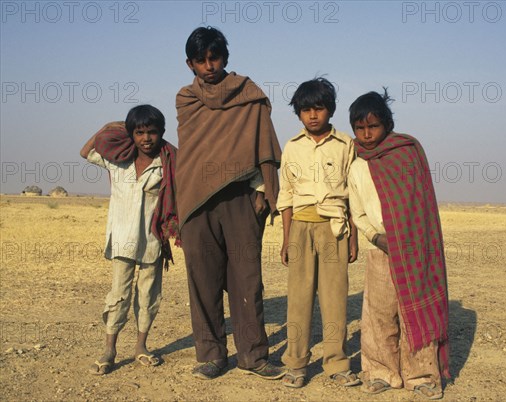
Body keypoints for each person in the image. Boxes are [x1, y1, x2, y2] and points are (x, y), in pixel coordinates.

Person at [175, 26, 283, 380]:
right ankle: (211, 355)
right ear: (189, 63)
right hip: (196, 202)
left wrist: (262, 189)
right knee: (202, 280)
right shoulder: (186, 99)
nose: (209, 66)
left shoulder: (249, 94)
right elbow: (192, 154)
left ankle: (253, 355)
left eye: (215, 57)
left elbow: (262, 145)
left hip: (241, 198)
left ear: (226, 56)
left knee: (247, 279)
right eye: (201, 60)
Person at [347, 90, 450, 399]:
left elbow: (422, 204)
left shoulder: (407, 152)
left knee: (414, 311)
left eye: (373, 127)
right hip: (380, 248)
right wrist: (377, 237)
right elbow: (358, 212)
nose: (366, 135)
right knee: (379, 313)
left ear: (387, 124)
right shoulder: (355, 165)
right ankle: (381, 372)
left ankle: (421, 375)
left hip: (415, 248)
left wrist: (406, 239)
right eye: (360, 128)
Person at [81, 104, 179, 375]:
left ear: (161, 133)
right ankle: (109, 349)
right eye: (139, 132)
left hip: (153, 241)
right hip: (122, 239)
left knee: (148, 295)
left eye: (152, 132)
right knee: (118, 295)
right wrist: (107, 127)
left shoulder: (168, 163)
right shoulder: (117, 159)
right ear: (130, 134)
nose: (146, 138)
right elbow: (85, 151)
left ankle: (141, 347)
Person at [277, 77, 360, 388]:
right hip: (299, 226)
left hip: (334, 228)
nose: (312, 115)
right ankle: (296, 364)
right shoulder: (292, 147)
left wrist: (352, 235)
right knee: (298, 299)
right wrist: (286, 238)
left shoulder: (346, 145)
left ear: (331, 110)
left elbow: (354, 193)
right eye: (306, 110)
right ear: (298, 113)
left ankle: (337, 363)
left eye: (319, 108)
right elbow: (285, 195)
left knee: (334, 298)